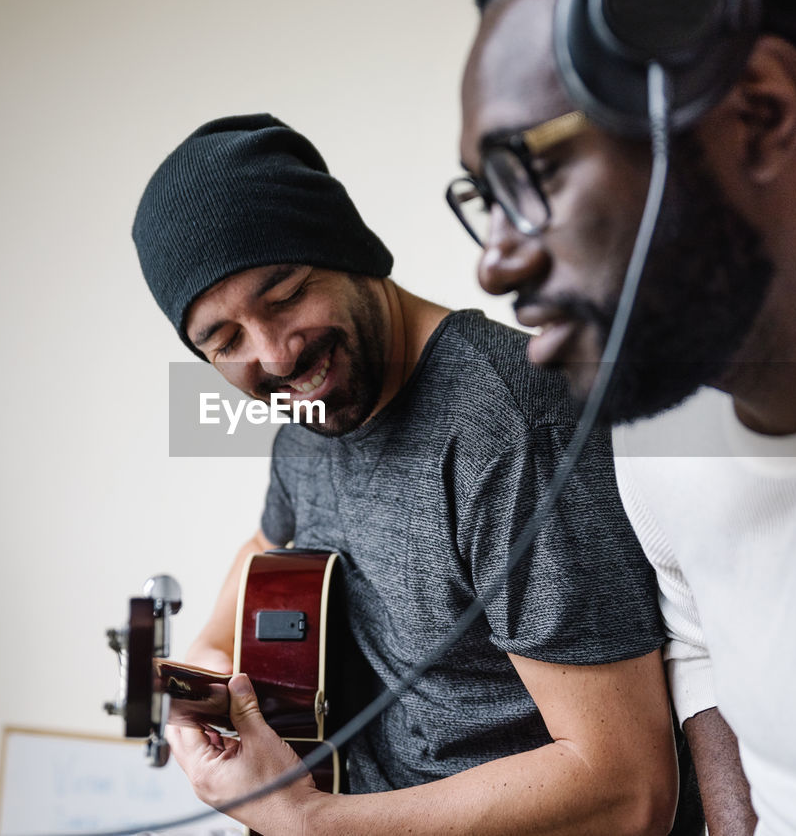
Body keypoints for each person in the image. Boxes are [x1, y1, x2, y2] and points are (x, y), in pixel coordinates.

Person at [455, 0, 796, 834]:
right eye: (484, 197)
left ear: (759, 112)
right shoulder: (661, 412)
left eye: (533, 171)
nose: (495, 264)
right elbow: (700, 635)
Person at [131, 113, 703, 835]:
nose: (275, 355)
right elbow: (265, 556)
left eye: (285, 295)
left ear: (352, 252)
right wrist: (206, 677)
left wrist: (308, 821)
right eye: (226, 338)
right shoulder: (313, 408)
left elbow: (627, 788)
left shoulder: (508, 428)